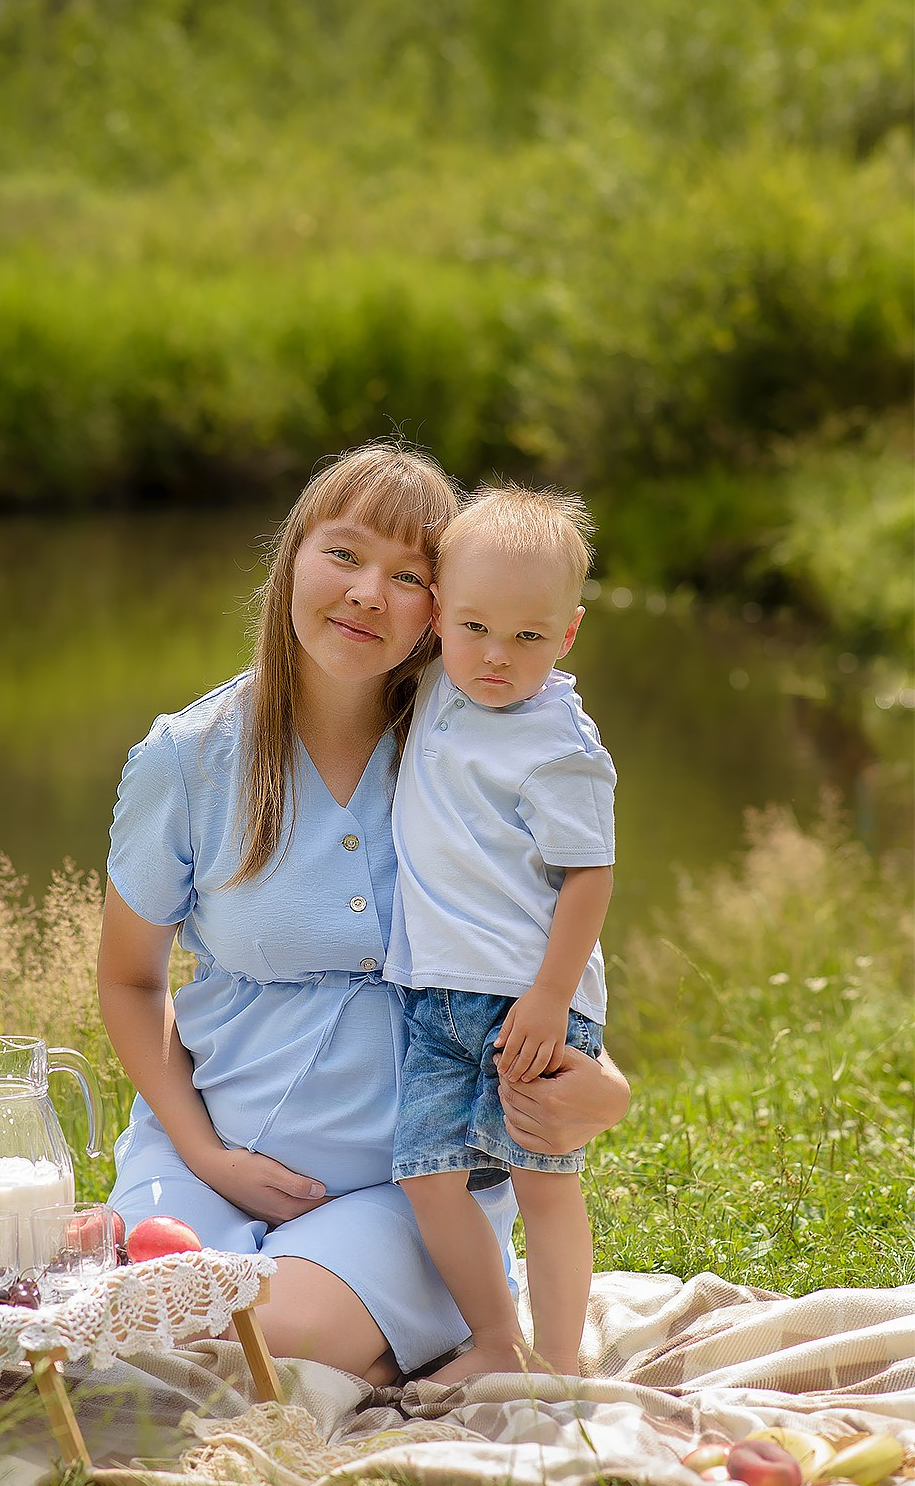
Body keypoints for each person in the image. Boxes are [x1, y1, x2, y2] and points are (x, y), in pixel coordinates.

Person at [96, 443, 630, 1387]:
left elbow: (541, 948)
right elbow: (131, 980)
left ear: (444, 603)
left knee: (264, 1340)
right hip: (208, 1151)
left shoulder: (473, 747)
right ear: (292, 556)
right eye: (343, 555)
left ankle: (382, 1321)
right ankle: (356, 1334)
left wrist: (607, 1085)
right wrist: (207, 1156)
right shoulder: (189, 756)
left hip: (411, 1187)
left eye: (409, 575)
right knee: (151, 1323)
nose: (368, 595)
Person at [386, 485, 616, 1380]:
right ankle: (494, 1340)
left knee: (543, 1180)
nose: (496, 658)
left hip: (527, 1001)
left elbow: (589, 874)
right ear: (438, 616)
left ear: (567, 634)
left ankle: (558, 1365)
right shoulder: (439, 687)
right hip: (434, 996)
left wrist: (553, 998)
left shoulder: (558, 743)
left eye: (528, 637)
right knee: (429, 1175)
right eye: (475, 628)